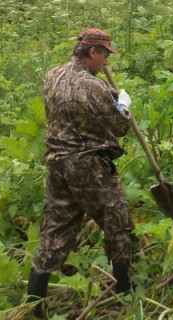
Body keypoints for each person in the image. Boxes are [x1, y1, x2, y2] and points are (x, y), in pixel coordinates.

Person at [26, 28, 135, 318]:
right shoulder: (93, 87)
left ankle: (34, 304)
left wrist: (109, 93)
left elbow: (73, 107)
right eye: (105, 56)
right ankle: (127, 291)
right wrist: (123, 107)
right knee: (117, 220)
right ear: (92, 53)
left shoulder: (53, 75)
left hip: (58, 165)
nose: (107, 62)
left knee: (55, 229)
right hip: (89, 166)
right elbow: (121, 127)